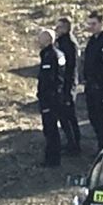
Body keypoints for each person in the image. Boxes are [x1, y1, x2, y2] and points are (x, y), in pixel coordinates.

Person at [81, 10, 103, 147]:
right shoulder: (92, 41)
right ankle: (101, 144)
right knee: (94, 117)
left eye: (94, 24)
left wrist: (98, 82)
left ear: (101, 24)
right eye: (89, 24)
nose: (91, 27)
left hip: (101, 87)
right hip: (91, 87)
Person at [35, 28, 64, 168]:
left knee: (51, 129)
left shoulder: (51, 56)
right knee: (49, 129)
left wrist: (46, 97)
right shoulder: (52, 55)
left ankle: (53, 159)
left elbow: (50, 80)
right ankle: (51, 157)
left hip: (50, 99)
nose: (37, 41)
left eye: (40, 38)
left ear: (47, 40)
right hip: (51, 98)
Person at [53, 17, 82, 154]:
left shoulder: (69, 44)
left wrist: (66, 87)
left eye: (58, 27)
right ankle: (71, 142)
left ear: (65, 28)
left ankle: (74, 144)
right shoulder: (61, 42)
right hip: (64, 84)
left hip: (67, 84)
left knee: (68, 115)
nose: (56, 30)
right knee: (64, 115)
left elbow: (69, 67)